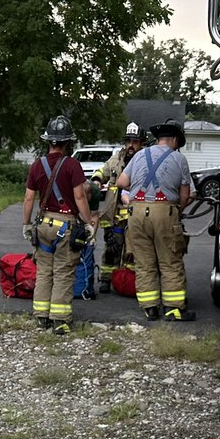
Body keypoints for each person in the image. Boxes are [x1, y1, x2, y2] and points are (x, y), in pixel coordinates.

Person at [21, 114, 95, 336]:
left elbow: (28, 198)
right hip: (66, 226)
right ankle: (60, 320)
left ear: (48, 141)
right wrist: (89, 222)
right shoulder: (72, 165)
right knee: (63, 271)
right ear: (67, 142)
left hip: (42, 224)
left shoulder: (36, 165)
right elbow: (80, 197)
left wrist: (26, 224)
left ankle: (41, 317)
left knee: (44, 271)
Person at [116, 118, 193, 322]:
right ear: (175, 140)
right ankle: (173, 308)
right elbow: (185, 195)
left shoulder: (140, 154)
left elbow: (121, 182)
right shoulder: (179, 159)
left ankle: (150, 307)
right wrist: (178, 211)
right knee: (170, 260)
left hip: (136, 212)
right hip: (164, 211)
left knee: (144, 263)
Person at [91, 122, 146, 293]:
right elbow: (102, 171)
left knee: (132, 252)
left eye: (135, 141)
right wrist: (97, 181)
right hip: (114, 215)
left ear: (142, 143)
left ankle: (128, 282)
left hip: (135, 215)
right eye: (128, 141)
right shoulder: (116, 160)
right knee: (111, 248)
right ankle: (106, 279)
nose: (130, 145)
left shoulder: (146, 162)